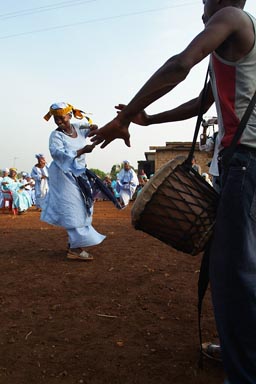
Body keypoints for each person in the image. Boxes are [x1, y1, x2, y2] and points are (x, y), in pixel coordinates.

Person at [89, 1, 256, 382]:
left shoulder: (230, 18)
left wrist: (124, 116)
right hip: (246, 161)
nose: (202, 12)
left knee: (233, 274)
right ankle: (239, 347)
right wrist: (150, 119)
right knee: (243, 265)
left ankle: (244, 371)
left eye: (203, 3)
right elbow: (203, 102)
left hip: (245, 161)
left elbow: (179, 65)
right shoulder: (239, 37)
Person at [41, 102, 106, 261]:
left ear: (69, 115)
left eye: (62, 118)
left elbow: (92, 128)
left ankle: (73, 244)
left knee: (85, 206)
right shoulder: (55, 136)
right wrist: (83, 150)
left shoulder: (78, 127)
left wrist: (94, 128)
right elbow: (58, 154)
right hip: (63, 175)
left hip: (80, 174)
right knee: (73, 209)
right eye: (56, 119)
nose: (59, 122)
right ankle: (75, 248)